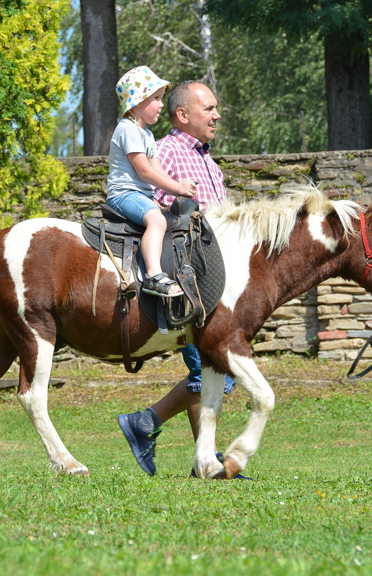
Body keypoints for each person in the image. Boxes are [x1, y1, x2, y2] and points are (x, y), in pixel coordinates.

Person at [117, 80, 245, 478]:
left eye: (216, 108)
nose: (217, 115)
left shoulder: (210, 163)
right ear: (183, 115)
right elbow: (154, 206)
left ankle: (146, 423)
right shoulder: (167, 151)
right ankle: (206, 462)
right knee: (209, 371)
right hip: (193, 282)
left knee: (217, 373)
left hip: (217, 280)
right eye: (208, 108)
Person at [106, 66, 197, 299]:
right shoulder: (126, 129)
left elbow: (157, 168)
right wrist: (176, 188)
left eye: (160, 98)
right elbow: (145, 171)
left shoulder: (146, 135)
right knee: (156, 220)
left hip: (141, 195)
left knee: (169, 218)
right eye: (156, 98)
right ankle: (153, 277)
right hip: (124, 194)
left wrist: (179, 186)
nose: (160, 104)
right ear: (137, 102)